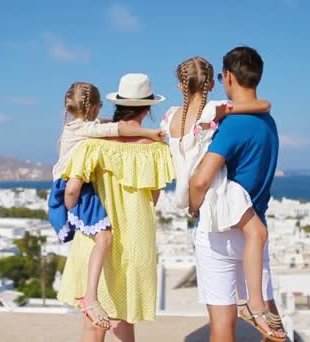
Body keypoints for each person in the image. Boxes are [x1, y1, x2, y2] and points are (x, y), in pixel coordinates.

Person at [161, 56, 279, 340]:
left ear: (180, 85)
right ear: (214, 82)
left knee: (221, 326)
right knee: (257, 232)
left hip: (193, 199)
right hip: (221, 192)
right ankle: (254, 304)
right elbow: (263, 104)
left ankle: (254, 306)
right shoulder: (213, 112)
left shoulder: (170, 117)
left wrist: (192, 204)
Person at [57, 73, 175, 342]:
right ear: (148, 109)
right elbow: (154, 198)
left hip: (94, 235)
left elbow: (73, 188)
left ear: (116, 105)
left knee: (93, 323)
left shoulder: (92, 143)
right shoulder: (156, 148)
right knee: (125, 316)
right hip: (136, 237)